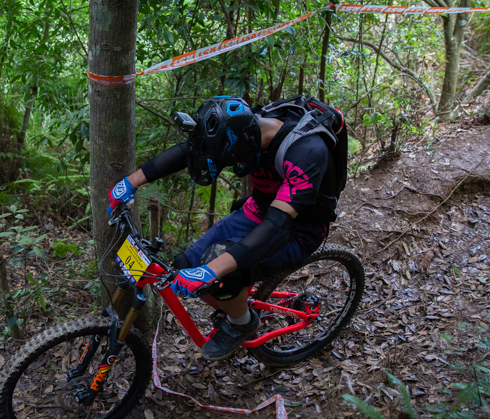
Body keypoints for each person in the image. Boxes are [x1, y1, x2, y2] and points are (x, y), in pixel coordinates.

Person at [107, 96, 337, 361]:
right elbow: (191, 150)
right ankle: (235, 306)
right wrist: (130, 182)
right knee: (184, 265)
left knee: (222, 276)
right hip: (259, 209)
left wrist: (210, 271)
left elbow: (276, 228)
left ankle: (242, 322)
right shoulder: (242, 127)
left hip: (297, 230)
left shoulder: (306, 153)